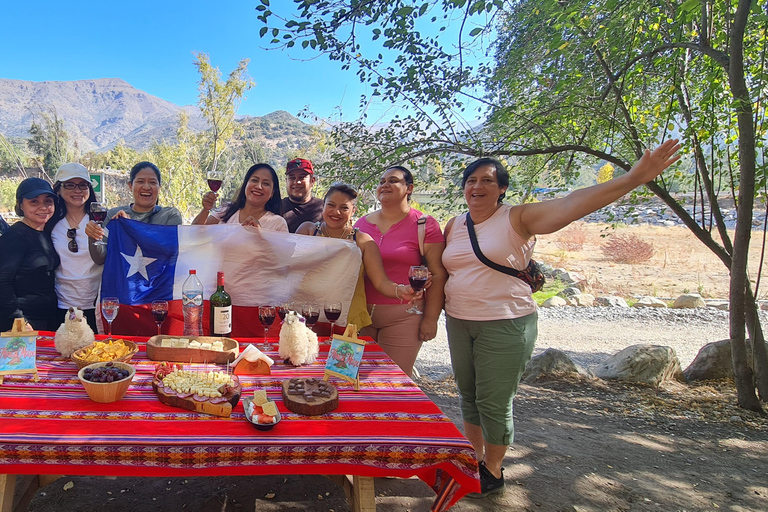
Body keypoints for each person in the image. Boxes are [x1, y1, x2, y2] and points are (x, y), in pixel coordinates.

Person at [441, 140, 681, 498]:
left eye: (487, 181)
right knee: (468, 395)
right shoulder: (454, 225)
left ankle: (492, 469)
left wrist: (633, 178)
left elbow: (571, 203)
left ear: (502, 188)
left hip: (506, 323)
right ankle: (472, 460)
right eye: (471, 180)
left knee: (494, 400)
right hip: (459, 321)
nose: (477, 187)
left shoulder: (518, 217)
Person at [354, 166, 447, 378]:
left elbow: (438, 274)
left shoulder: (424, 224)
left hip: (404, 316)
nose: (384, 185)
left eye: (393, 180)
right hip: (362, 316)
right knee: (356, 379)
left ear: (409, 188)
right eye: (381, 180)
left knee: (392, 382)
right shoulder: (361, 224)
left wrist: (430, 319)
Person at [296, 183, 420, 329]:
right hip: (306, 315)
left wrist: (401, 291)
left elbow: (381, 282)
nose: (336, 212)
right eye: (331, 205)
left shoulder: (363, 241)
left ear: (353, 211)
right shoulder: (308, 231)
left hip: (346, 318)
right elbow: (287, 269)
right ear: (323, 206)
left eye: (344, 208)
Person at [46, 163, 101, 332]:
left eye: (82, 185)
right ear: (58, 189)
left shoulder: (102, 220)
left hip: (95, 305)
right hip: (61, 305)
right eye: (70, 185)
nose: (77, 190)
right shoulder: (49, 223)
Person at [0, 177, 60, 331]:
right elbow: (2, 281)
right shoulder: (15, 237)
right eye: (34, 201)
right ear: (21, 205)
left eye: (48, 201)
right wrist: (19, 319)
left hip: (47, 318)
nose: (43, 207)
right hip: (24, 323)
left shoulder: (45, 233)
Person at [85, 161, 183, 246]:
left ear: (159, 188)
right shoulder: (113, 215)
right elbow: (100, 258)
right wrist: (93, 236)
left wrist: (130, 226)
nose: (146, 187)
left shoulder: (170, 216)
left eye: (152, 182)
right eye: (140, 181)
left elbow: (171, 250)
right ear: (130, 186)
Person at [193, 163, 288, 231]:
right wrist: (205, 210)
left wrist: (260, 235)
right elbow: (195, 234)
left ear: (272, 193)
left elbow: (281, 256)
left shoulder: (277, 223)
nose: (259, 186)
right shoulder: (226, 210)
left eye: (266, 183)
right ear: (245, 185)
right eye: (254, 180)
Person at [281, 158, 323, 232]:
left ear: (312, 181)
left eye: (302, 177)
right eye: (292, 178)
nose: (297, 182)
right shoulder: (275, 207)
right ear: (286, 181)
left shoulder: (324, 209)